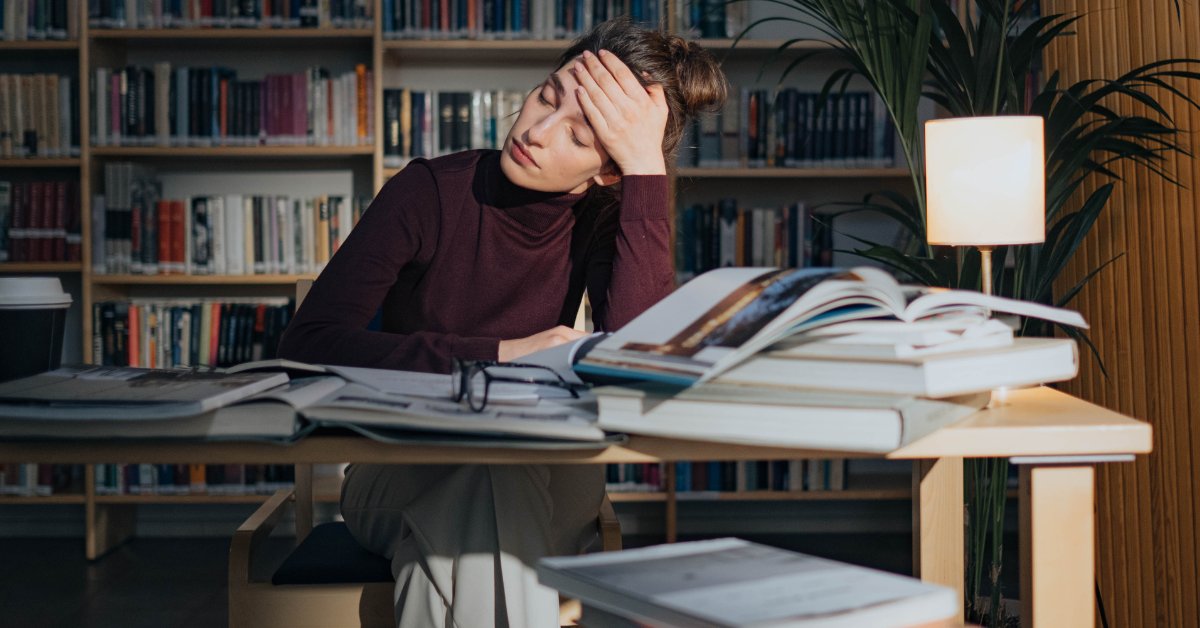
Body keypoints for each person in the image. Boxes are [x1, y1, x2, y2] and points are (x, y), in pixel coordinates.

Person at [276, 17, 726, 628]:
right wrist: (503, 355)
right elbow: (307, 346)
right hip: (399, 467)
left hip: (551, 471)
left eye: (578, 135)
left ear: (609, 170)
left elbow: (641, 368)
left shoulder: (604, 218)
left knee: (471, 506)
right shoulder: (427, 192)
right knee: (488, 480)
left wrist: (647, 169)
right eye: (547, 96)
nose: (536, 131)